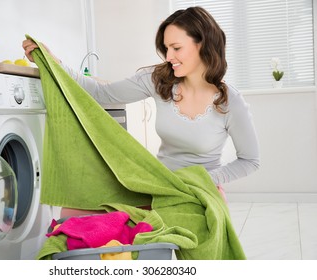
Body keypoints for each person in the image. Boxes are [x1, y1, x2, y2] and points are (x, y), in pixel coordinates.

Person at [23, 6, 260, 203]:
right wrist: (54, 63)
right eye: (166, 48)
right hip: (160, 185)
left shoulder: (230, 102)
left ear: (203, 44)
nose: (168, 57)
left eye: (176, 48)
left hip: (202, 191)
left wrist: (207, 179)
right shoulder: (159, 81)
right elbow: (101, 94)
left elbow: (249, 161)